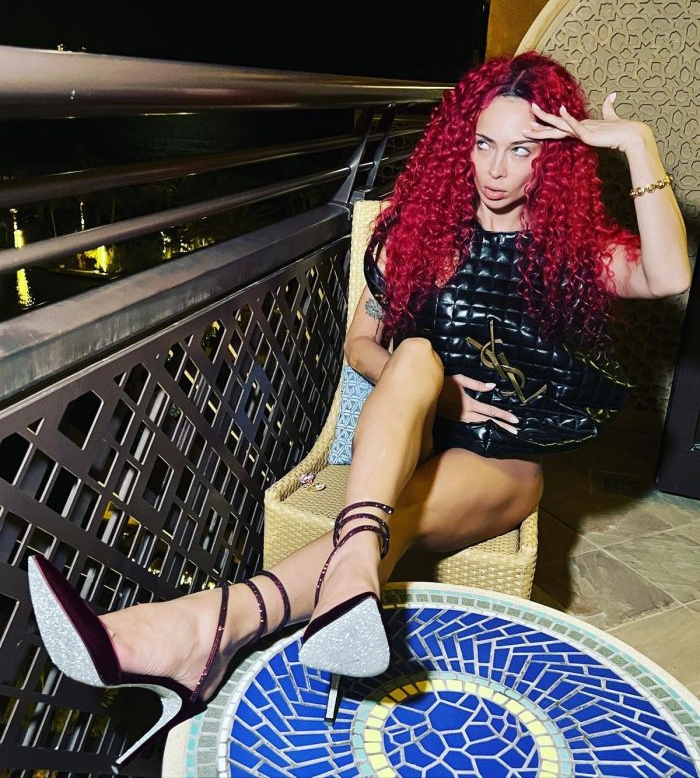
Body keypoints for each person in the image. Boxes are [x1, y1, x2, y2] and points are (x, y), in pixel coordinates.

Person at [27, 51, 691, 770]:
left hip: (499, 459)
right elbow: (360, 345)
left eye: (521, 150)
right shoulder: (421, 232)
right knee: (415, 355)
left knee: (386, 524)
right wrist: (444, 391)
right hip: (407, 426)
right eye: (483, 144)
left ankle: (208, 625)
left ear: (552, 159)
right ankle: (297, 593)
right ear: (460, 143)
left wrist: (636, 143)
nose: (496, 170)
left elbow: (667, 275)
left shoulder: (570, 253)